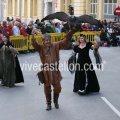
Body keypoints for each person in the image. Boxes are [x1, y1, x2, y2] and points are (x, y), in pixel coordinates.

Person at [31, 28, 78, 111]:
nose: (48, 41)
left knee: (58, 88)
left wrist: (71, 33)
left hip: (55, 71)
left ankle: (55, 101)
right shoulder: (41, 48)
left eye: (49, 40)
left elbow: (64, 42)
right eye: (46, 40)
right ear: (43, 41)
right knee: (47, 89)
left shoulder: (56, 45)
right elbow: (34, 44)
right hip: (46, 72)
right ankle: (48, 104)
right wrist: (32, 35)